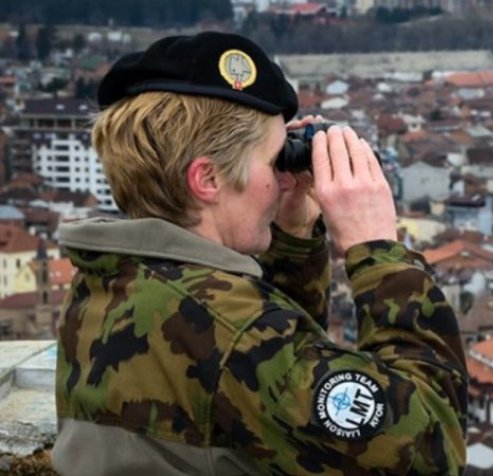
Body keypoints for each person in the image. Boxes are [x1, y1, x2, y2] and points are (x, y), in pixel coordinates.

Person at [52, 31, 468, 475]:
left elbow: (272, 386)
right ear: (207, 180)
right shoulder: (234, 333)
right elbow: (431, 448)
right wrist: (380, 252)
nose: (286, 178)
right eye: (275, 161)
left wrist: (292, 232)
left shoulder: (109, 281)